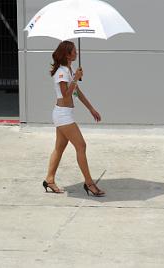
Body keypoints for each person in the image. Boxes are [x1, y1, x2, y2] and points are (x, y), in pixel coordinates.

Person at [42, 40, 105, 196]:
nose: (76, 53)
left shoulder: (67, 70)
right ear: (67, 54)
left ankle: (49, 180)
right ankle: (89, 183)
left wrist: (91, 109)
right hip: (62, 115)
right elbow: (65, 95)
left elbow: (77, 92)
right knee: (81, 146)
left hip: (64, 114)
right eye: (74, 51)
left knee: (59, 148)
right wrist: (76, 77)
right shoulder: (62, 73)